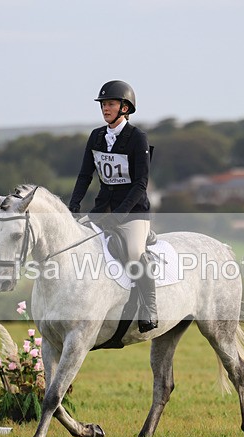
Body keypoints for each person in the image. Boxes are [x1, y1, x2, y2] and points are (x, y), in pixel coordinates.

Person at [68, 80, 157, 333]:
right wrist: (73, 204)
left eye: (111, 104)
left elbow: (141, 182)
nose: (105, 108)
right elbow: (85, 175)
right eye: (104, 104)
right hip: (102, 210)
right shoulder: (96, 136)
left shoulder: (137, 138)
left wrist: (120, 215)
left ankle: (150, 307)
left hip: (133, 213)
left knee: (132, 252)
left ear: (125, 108)